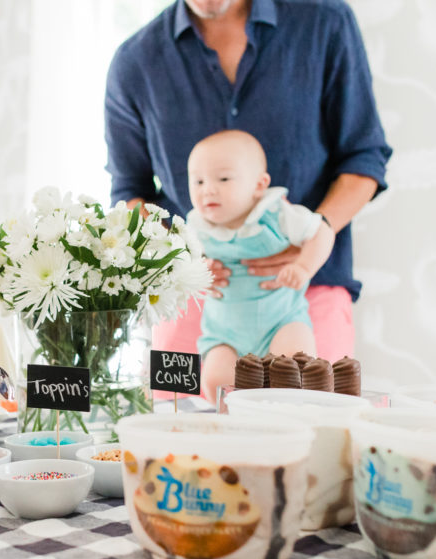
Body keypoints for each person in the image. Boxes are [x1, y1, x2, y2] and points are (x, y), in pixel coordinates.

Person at [104, 0, 391, 365]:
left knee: (312, 417)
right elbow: (130, 193)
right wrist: (185, 258)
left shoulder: (325, 22)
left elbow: (363, 157)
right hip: (194, 298)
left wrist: (312, 240)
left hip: (307, 290)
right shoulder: (135, 62)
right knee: (181, 421)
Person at [188, 130, 334, 397]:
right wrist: (198, 271)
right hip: (224, 334)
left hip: (281, 321)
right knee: (215, 384)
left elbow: (322, 231)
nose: (207, 189)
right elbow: (182, 264)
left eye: (223, 178)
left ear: (259, 184)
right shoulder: (195, 227)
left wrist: (304, 266)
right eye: (197, 181)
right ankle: (239, 433)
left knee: (293, 369)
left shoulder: (277, 213)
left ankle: (284, 427)